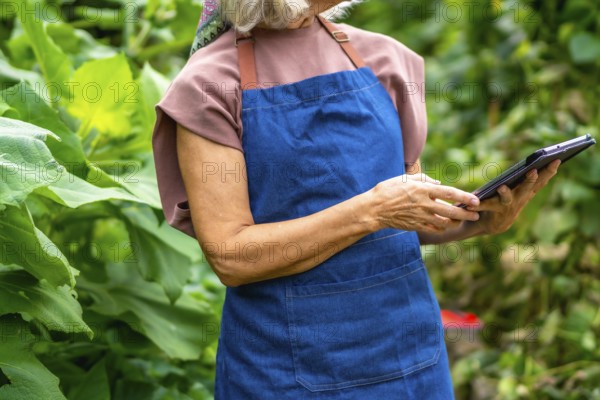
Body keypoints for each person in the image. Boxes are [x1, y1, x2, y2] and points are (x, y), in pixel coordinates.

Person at [151, 0, 560, 397]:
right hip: (284, 370)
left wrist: (484, 220)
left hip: (410, 358)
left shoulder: (382, 58)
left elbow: (404, 219)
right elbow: (232, 256)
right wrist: (373, 210)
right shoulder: (209, 86)